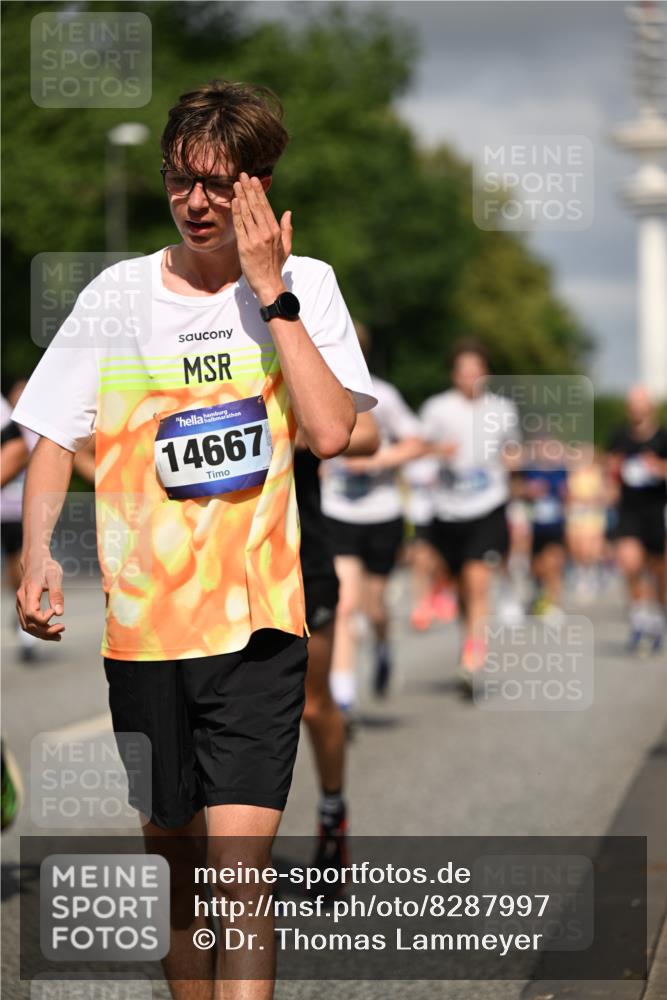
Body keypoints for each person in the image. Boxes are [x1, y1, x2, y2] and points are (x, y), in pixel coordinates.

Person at [13, 79, 375, 999]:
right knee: (178, 881)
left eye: (219, 184)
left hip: (259, 625)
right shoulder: (116, 294)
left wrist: (272, 293)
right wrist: (39, 548)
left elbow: (332, 431)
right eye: (181, 182)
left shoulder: (307, 287)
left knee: (238, 873)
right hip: (146, 633)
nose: (197, 203)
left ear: (258, 186)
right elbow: (52, 426)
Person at [321, 323, 426, 708]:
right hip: (338, 512)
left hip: (382, 514)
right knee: (345, 603)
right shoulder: (316, 390)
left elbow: (417, 443)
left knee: (374, 608)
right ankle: (343, 694)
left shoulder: (382, 394)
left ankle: (383, 647)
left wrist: (377, 459)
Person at [295, 413, 378, 884]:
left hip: (299, 559)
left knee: (312, 703)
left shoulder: (285, 344)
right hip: (207, 569)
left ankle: (332, 810)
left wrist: (304, 432)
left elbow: (366, 433)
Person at [420, 339, 520, 689]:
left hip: (488, 506)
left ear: (486, 373)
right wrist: (437, 450)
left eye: (476, 370)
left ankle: (473, 659)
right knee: (462, 586)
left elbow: (512, 449)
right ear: (454, 374)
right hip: (447, 510)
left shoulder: (503, 410)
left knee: (478, 584)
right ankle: (470, 643)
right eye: (463, 371)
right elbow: (417, 447)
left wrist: (512, 460)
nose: (470, 376)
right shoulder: (437, 408)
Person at [607, 386, 667, 653]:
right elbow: (610, 468)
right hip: (629, 511)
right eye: (632, 404)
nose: (636, 408)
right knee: (630, 563)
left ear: (650, 407)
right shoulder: (620, 436)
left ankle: (658, 617)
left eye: (641, 403)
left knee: (659, 572)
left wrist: (658, 467)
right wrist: (612, 474)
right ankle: (640, 618)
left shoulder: (663, 437)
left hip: (659, 511)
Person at [1, 384, 39, 660]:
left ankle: (25, 616)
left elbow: (17, 450)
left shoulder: (37, 426)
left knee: (21, 561)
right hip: (4, 509)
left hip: (23, 507)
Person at [521, 438, 568, 623]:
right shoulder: (528, 470)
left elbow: (569, 494)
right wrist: (528, 491)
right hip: (534, 527)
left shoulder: (561, 470)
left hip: (555, 525)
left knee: (553, 564)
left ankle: (553, 603)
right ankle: (538, 596)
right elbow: (516, 490)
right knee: (537, 567)